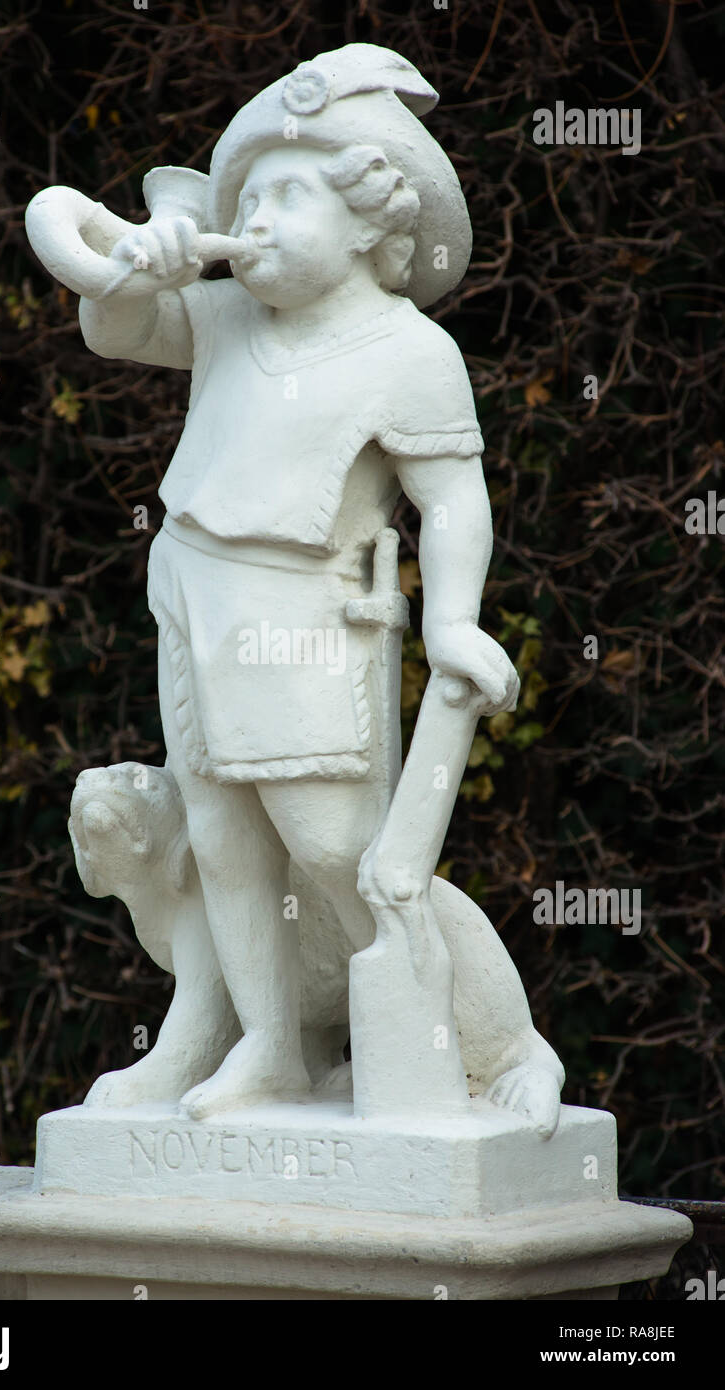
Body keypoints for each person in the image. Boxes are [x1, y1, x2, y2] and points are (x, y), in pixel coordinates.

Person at [73, 45, 559, 1127]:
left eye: (292, 192)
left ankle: (472, 1041)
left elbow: (455, 503)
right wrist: (135, 272)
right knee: (221, 835)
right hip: (190, 590)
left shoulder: (410, 350)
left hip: (307, 613)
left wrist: (456, 619)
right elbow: (118, 330)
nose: (258, 215)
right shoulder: (225, 318)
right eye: (249, 194)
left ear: (373, 222)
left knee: (340, 848)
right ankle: (270, 1047)